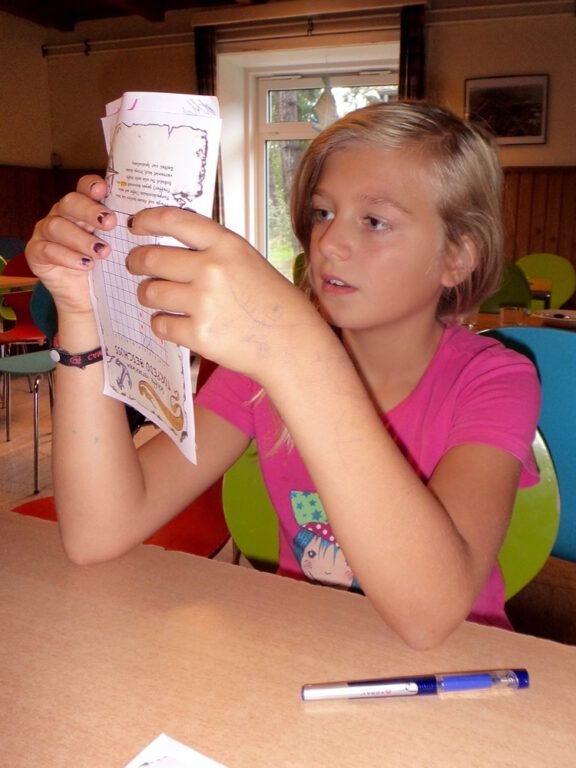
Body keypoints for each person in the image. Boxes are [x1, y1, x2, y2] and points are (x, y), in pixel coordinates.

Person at [26, 101, 540, 650]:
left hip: (462, 674)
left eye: (374, 221)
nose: (329, 244)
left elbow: (430, 614)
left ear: (457, 258)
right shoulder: (261, 376)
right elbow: (97, 531)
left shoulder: (494, 379)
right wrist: (83, 315)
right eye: (323, 213)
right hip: (304, 649)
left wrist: (294, 347)